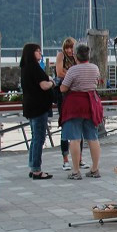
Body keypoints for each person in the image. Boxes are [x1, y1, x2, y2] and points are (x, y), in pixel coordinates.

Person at [60, 42, 102, 179]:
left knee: (75, 139)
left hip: (75, 104)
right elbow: (97, 82)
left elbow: (63, 88)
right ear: (88, 55)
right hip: (91, 103)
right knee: (93, 137)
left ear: (76, 56)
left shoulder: (73, 70)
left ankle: (76, 171)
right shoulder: (95, 68)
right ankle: (95, 168)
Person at [20, 43, 54, 179]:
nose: (40, 54)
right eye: (37, 51)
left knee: (35, 137)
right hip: (38, 107)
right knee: (39, 137)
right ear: (31, 53)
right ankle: (36, 169)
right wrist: (52, 82)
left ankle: (32, 165)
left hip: (30, 106)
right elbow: (44, 85)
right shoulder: (34, 67)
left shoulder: (24, 67)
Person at [54, 37, 81, 171]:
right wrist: (73, 75)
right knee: (65, 125)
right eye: (67, 48)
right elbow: (59, 72)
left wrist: (71, 74)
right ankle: (65, 159)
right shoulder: (61, 56)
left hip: (75, 93)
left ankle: (79, 158)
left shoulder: (77, 58)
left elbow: (81, 71)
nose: (69, 50)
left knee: (78, 126)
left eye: (71, 48)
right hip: (63, 94)